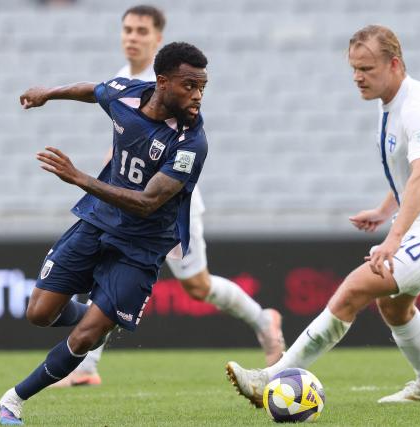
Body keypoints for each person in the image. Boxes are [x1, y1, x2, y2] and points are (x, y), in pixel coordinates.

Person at [226, 24, 420, 405]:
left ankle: (271, 378)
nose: (358, 77)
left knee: (355, 288)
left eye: (367, 69)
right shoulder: (390, 100)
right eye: (354, 69)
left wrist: (392, 238)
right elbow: (412, 174)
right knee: (394, 305)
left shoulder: (417, 106)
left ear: (394, 64)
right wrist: (383, 210)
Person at [52, 5, 284, 388]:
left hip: (167, 205)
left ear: (158, 38)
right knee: (102, 266)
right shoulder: (124, 80)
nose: (132, 37)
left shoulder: (176, 79)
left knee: (198, 286)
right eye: (127, 29)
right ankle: (86, 366)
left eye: (142, 31)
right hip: (125, 201)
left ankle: (263, 319)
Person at [0, 41, 210, 425]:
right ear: (162, 83)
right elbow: (93, 90)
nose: (197, 97)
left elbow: (147, 202)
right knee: (40, 314)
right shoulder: (127, 95)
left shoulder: (190, 143)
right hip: (97, 222)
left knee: (83, 339)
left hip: (143, 247)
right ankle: (98, 318)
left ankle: (13, 400)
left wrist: (79, 178)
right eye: (189, 86)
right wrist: (48, 93)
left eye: (202, 88)